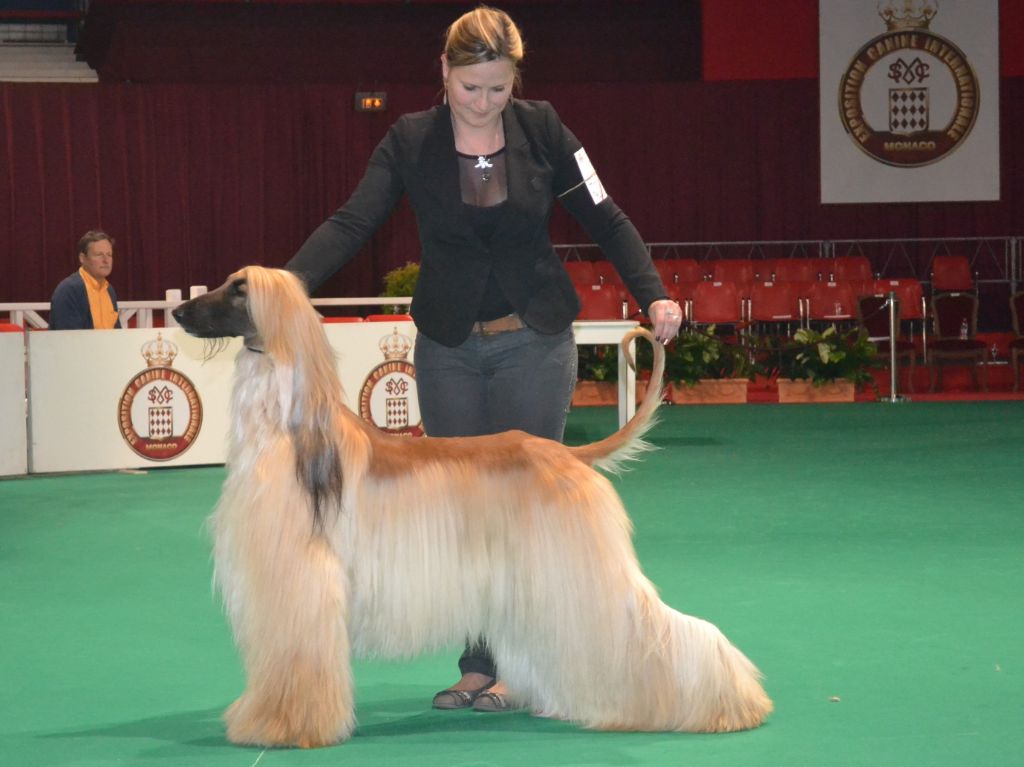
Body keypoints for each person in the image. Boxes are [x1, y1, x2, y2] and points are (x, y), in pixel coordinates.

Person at [285, 4, 683, 712]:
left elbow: (605, 212)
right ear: (444, 71)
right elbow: (353, 221)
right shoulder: (410, 140)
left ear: (515, 80)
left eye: (498, 88)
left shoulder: (545, 129)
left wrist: (652, 293)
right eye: (471, 87)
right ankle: (477, 666)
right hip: (449, 349)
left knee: (524, 515)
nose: (483, 101)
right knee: (463, 520)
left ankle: (523, 668)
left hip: (535, 341)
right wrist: (287, 287)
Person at [49, 230, 121, 330]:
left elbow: (117, 333)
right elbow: (69, 337)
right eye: (99, 254)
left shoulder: (109, 290)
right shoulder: (68, 290)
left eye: (109, 254)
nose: (106, 260)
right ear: (82, 258)